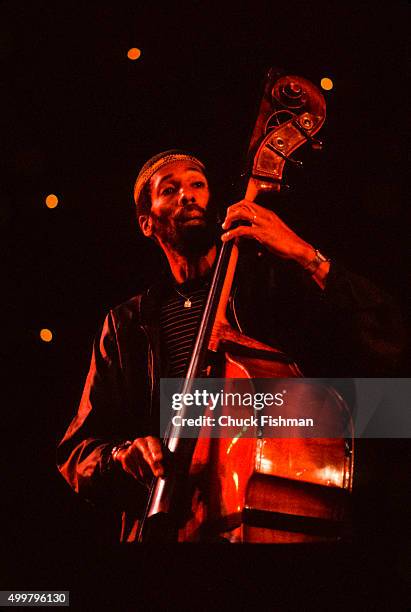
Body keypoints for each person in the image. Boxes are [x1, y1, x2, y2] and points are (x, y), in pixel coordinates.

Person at [57, 150, 405, 542]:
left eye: (197, 184)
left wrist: (306, 255)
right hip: (166, 533)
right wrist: (121, 456)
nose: (188, 195)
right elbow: (76, 454)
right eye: (169, 190)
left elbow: (390, 348)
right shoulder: (125, 325)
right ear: (146, 222)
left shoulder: (273, 290)